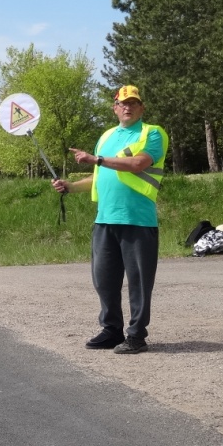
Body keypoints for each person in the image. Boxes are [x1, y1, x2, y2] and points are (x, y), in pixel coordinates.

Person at [52, 85, 169, 354]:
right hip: (105, 219)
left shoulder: (151, 133)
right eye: (122, 103)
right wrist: (70, 186)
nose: (127, 107)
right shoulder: (106, 136)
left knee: (139, 282)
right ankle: (111, 330)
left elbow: (138, 164)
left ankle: (137, 336)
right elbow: (99, 175)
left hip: (138, 220)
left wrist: (97, 158)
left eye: (133, 103)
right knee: (104, 279)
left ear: (142, 108)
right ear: (115, 107)